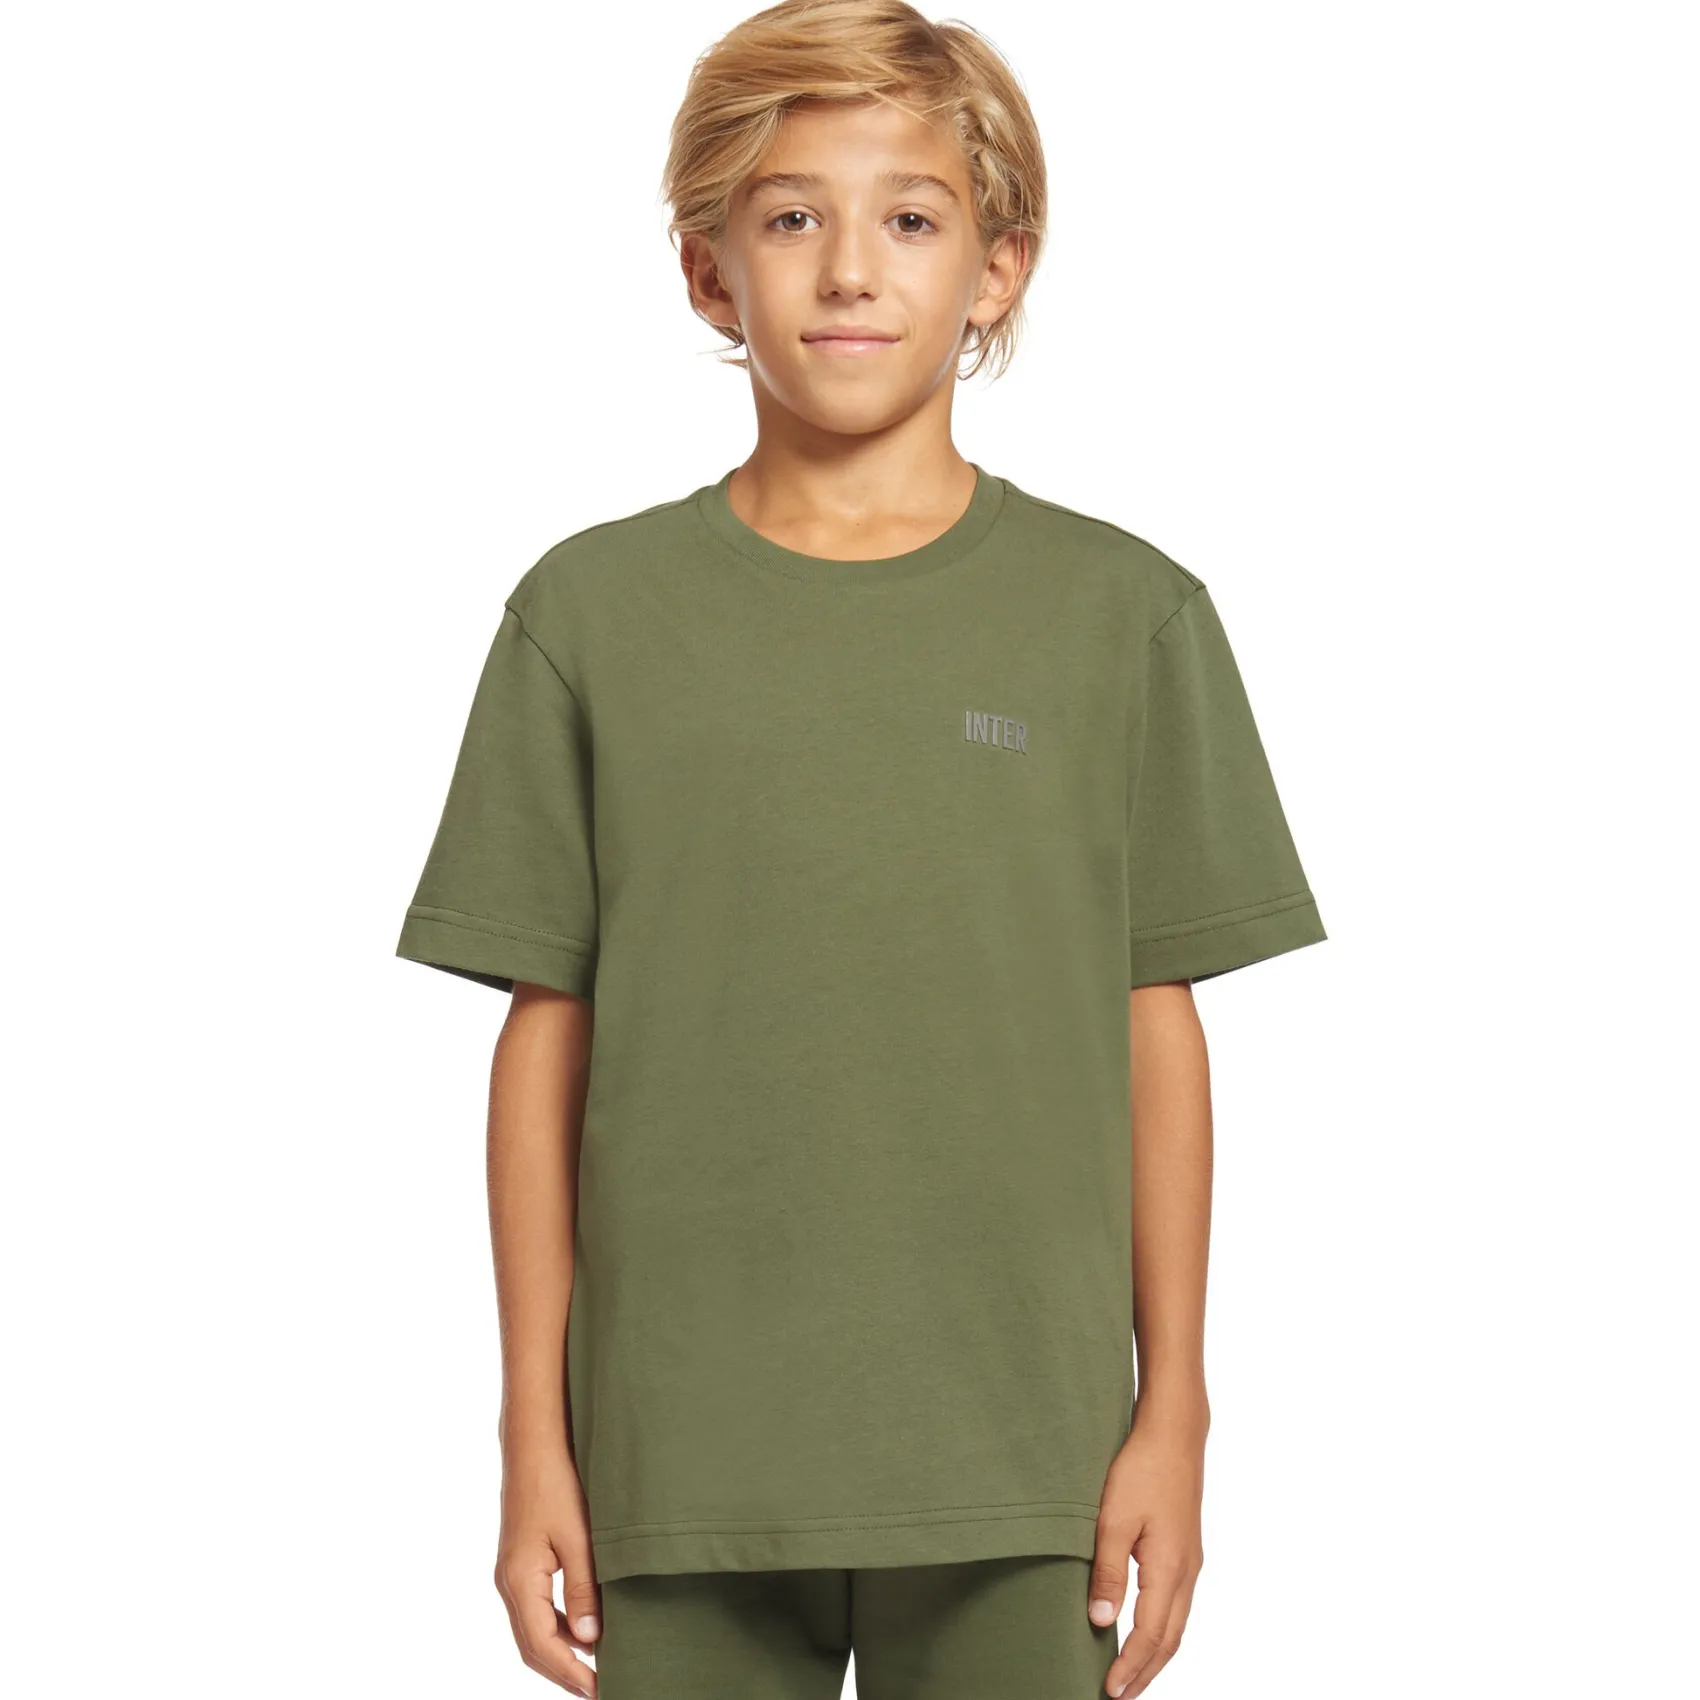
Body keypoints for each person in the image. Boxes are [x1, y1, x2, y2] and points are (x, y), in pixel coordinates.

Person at [393, 3, 1327, 1694]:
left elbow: (1155, 1026)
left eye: (909, 217)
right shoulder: (587, 616)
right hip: (672, 1461)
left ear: (996, 270)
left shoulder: (1122, 617)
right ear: (707, 273)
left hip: (1025, 1457)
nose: (846, 270)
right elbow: (546, 1036)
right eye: (788, 216)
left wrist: (1175, 1408)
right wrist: (532, 1432)